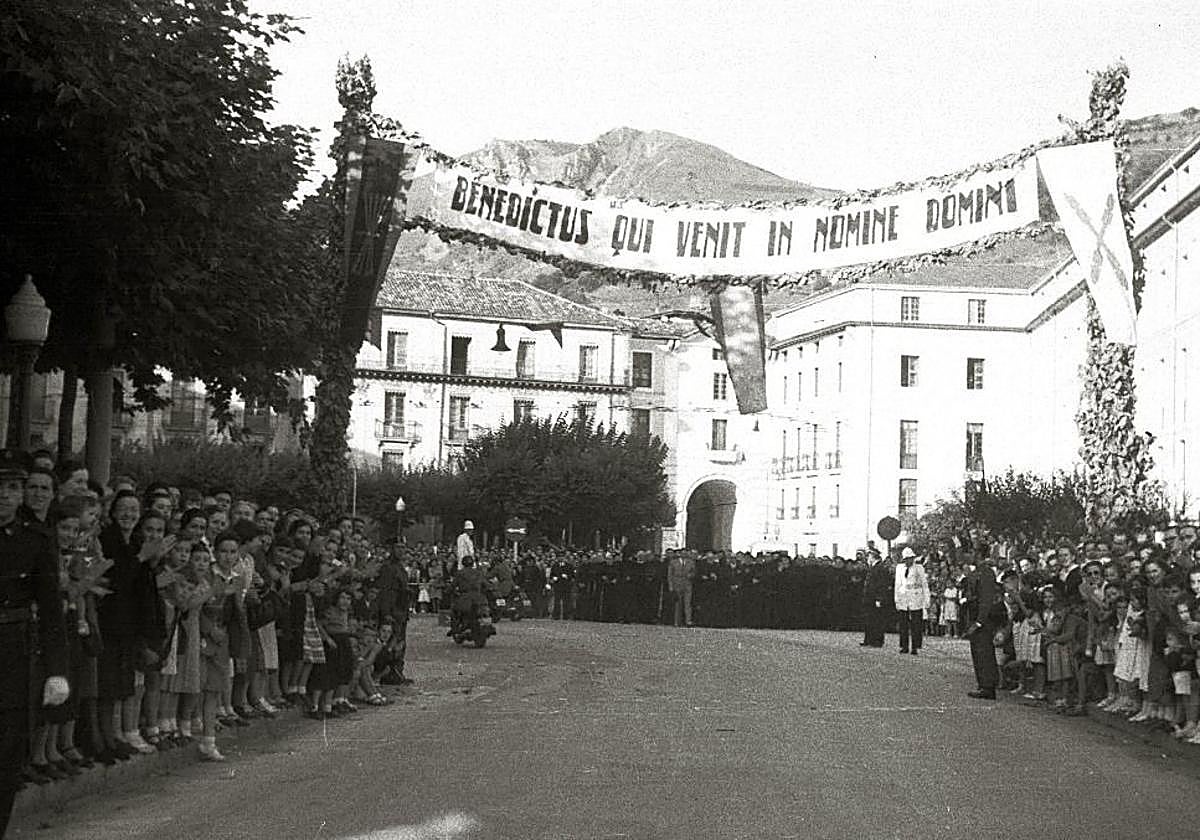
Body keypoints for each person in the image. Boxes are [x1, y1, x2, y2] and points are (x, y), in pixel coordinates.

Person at [0, 450, 69, 835]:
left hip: (13, 652)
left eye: (12, 489)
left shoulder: (36, 541)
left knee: (8, 752)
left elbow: (51, 611)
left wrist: (56, 671)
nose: (4, 496)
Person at [964, 553, 1002, 699]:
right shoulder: (976, 572)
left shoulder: (986, 573)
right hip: (974, 615)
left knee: (984, 652)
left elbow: (986, 599)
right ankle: (982, 684)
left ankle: (988, 686)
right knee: (977, 652)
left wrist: (979, 621)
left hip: (983, 619)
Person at [893, 547, 929, 655]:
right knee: (903, 624)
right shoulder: (899, 568)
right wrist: (896, 599)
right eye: (907, 558)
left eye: (911, 558)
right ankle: (904, 646)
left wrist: (926, 599)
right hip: (904, 597)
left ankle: (915, 646)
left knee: (916, 624)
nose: (909, 560)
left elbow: (924, 584)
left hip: (915, 597)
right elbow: (897, 584)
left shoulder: (919, 568)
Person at [859, 549, 891, 648]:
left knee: (877, 620)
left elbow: (881, 585)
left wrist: (879, 598)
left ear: (873, 556)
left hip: (875, 598)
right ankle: (868, 639)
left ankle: (877, 640)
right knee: (869, 619)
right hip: (869, 599)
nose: (868, 558)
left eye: (869, 556)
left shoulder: (880, 568)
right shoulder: (873, 567)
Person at [667, 550, 696, 627]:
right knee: (677, 604)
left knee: (687, 603)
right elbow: (670, 575)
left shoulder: (691, 562)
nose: (684, 554)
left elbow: (694, 572)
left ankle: (688, 621)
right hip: (677, 584)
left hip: (687, 584)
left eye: (685, 553)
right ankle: (677, 621)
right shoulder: (673, 562)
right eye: (682, 553)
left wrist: (691, 575)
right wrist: (671, 586)